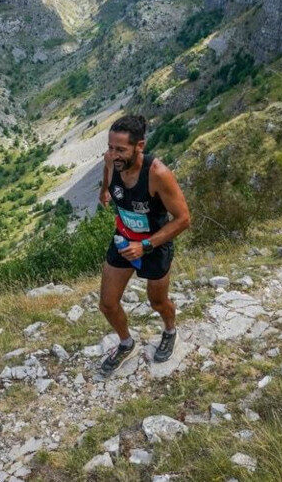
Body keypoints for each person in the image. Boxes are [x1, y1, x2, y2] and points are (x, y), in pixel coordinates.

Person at [97, 114, 191, 375]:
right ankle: (126, 343)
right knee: (107, 303)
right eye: (110, 147)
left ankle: (170, 331)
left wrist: (146, 245)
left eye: (120, 149)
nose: (113, 155)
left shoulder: (158, 174)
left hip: (155, 244)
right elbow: (107, 175)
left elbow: (183, 220)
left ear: (140, 146)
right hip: (123, 239)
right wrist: (104, 190)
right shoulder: (111, 161)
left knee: (157, 301)